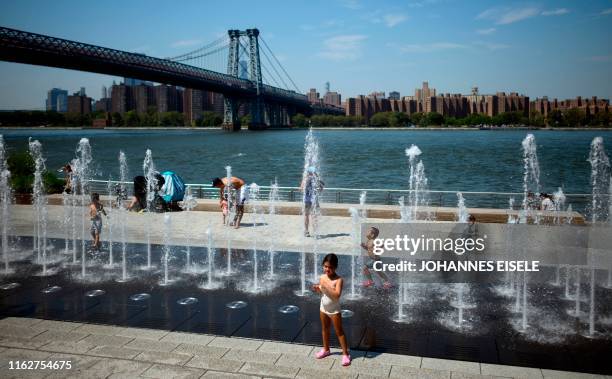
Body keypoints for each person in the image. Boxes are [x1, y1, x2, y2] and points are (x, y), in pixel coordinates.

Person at [312, 253, 351, 366]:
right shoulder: (322, 277)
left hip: (334, 309)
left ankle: (345, 354)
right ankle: (326, 349)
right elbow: (322, 291)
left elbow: (337, 295)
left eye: (330, 267)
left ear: (335, 267)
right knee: (325, 329)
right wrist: (317, 289)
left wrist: (325, 287)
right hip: (323, 307)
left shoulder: (338, 280)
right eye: (325, 266)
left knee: (339, 331)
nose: (327, 269)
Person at [300, 166, 324, 237]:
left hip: (307, 200)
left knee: (306, 215)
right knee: (314, 216)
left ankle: (306, 231)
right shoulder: (317, 180)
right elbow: (321, 189)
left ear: (308, 172)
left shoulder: (305, 179)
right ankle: (315, 232)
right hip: (314, 200)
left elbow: (301, 189)